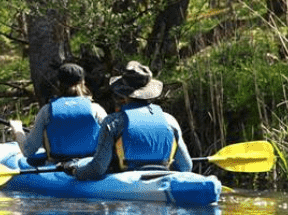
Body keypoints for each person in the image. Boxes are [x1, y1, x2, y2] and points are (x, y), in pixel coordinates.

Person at [63, 61, 193, 180]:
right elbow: (186, 167)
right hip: (163, 177)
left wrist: (75, 171)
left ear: (123, 93)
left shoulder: (113, 123)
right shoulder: (170, 120)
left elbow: (97, 169)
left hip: (125, 182)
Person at [9, 63, 107, 164]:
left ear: (59, 83)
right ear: (83, 82)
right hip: (91, 166)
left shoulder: (46, 111)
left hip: (57, 168)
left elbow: (28, 151)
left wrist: (17, 130)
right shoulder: (96, 109)